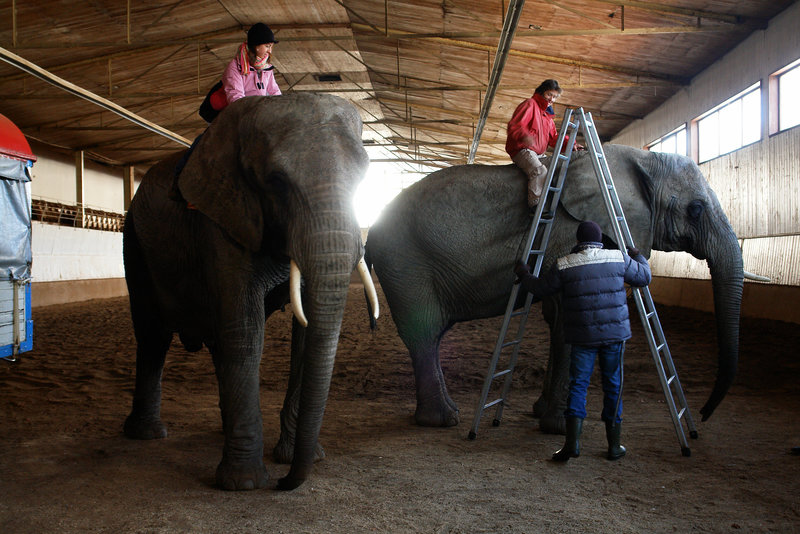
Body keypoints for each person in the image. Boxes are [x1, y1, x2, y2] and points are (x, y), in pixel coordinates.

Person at [513, 220, 651, 462]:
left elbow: (541, 288)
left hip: (582, 336)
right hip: (614, 335)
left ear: (578, 242)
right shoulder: (618, 258)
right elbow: (644, 277)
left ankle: (572, 444)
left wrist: (524, 273)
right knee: (613, 386)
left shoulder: (565, 264)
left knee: (577, 386)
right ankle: (614, 446)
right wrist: (638, 256)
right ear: (600, 240)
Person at [171, 23, 281, 202]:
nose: (269, 51)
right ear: (256, 45)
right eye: (267, 46)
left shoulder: (267, 68)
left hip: (255, 115)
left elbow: (275, 93)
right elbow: (236, 98)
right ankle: (179, 178)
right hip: (229, 112)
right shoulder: (235, 67)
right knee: (205, 141)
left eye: (271, 47)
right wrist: (253, 115)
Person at [505, 79, 582, 209]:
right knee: (540, 171)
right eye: (549, 95)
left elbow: (554, 138)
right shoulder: (530, 104)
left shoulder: (548, 117)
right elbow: (515, 125)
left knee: (551, 171)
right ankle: (535, 206)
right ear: (541, 92)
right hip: (522, 150)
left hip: (539, 153)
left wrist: (571, 144)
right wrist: (525, 136)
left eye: (555, 97)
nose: (551, 99)